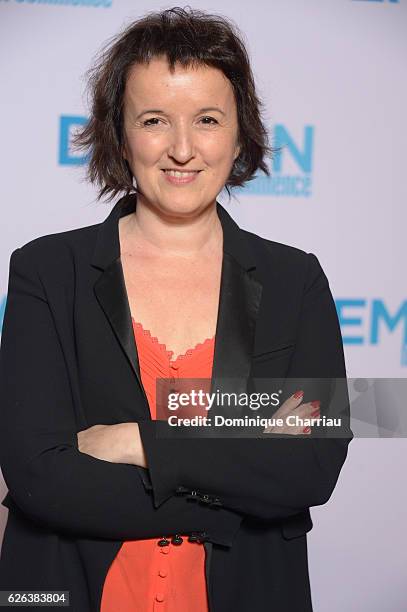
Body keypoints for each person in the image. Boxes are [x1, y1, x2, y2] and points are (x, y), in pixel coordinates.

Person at [0, 7, 353, 612]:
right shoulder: (44, 271)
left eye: (208, 120)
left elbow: (310, 467)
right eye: (155, 120)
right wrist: (235, 492)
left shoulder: (296, 279)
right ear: (120, 131)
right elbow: (40, 478)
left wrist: (143, 442)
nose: (183, 149)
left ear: (240, 133)